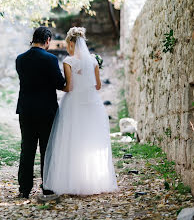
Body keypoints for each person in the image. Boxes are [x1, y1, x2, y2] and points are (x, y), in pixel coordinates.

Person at [43, 27, 118, 195]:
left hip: (74, 103)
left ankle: (72, 181)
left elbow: (69, 87)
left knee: (72, 139)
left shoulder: (68, 61)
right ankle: (93, 181)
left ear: (71, 43)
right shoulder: (93, 61)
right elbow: (98, 86)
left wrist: (60, 87)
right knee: (90, 140)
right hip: (92, 103)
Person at [15, 26, 66, 199]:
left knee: (27, 149)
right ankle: (47, 187)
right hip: (46, 111)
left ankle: (24, 189)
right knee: (47, 149)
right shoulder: (51, 59)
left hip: (26, 110)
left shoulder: (20, 59)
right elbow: (60, 84)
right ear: (48, 40)